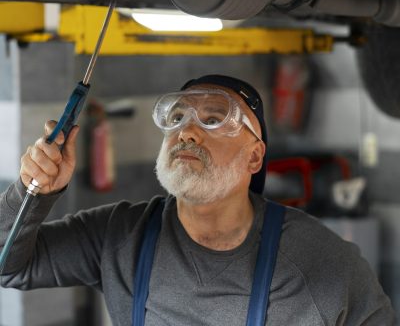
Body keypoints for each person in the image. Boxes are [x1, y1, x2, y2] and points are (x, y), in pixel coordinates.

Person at [0, 74, 396, 326]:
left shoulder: (322, 261)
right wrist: (34, 190)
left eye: (213, 119)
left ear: (255, 157)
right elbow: (7, 267)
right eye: (178, 118)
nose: (187, 132)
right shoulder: (118, 236)